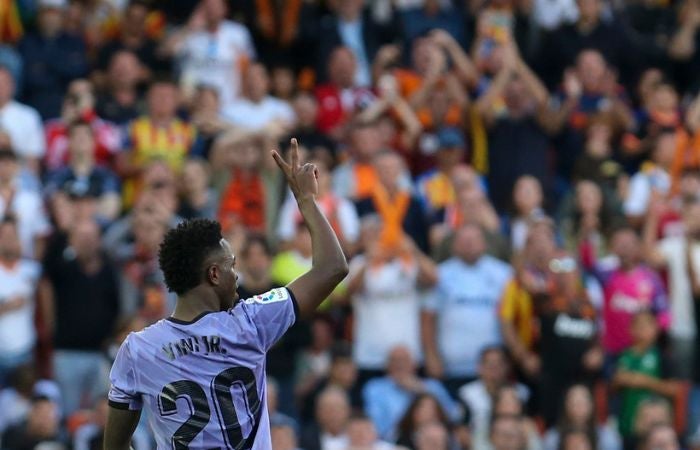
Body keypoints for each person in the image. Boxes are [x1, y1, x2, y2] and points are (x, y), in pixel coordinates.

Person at [103, 138, 349, 449]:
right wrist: (306, 201)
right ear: (214, 274)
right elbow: (333, 268)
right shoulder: (252, 321)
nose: (238, 275)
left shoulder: (137, 350)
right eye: (232, 265)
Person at [422, 224, 512, 394]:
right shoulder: (439, 274)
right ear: (454, 245)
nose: (469, 244)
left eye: (474, 240)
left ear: (484, 244)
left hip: (494, 370)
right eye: (464, 240)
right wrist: (431, 356)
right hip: (452, 367)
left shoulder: (503, 273)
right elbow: (428, 318)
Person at [362, 346, 459, 441]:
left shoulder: (433, 386)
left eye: (404, 360)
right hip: (393, 441)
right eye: (394, 360)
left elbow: (454, 415)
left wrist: (421, 390)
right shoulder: (375, 388)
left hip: (431, 440)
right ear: (386, 365)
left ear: (415, 363)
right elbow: (375, 424)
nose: (399, 364)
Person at [612, 311, 680, 440]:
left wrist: (643, 381)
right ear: (631, 329)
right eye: (638, 325)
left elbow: (674, 390)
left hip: (655, 423)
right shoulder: (623, 355)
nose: (643, 330)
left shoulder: (663, 356)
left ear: (656, 329)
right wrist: (618, 380)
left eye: (648, 325)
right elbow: (612, 389)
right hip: (627, 423)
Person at [458, 347, 529, 450]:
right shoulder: (467, 393)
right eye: (489, 364)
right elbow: (462, 430)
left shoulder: (521, 392)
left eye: (498, 364)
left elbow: (527, 425)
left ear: (507, 367)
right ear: (479, 368)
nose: (494, 368)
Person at [0, 218, 41, 384]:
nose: (10, 240)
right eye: (5, 235)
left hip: (26, 350)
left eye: (13, 235)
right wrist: (7, 306)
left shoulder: (32, 270)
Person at [543, 384, 621, 450]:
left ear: (592, 405)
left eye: (582, 402)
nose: (579, 406)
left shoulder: (608, 437)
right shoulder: (553, 438)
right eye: (574, 402)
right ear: (566, 405)